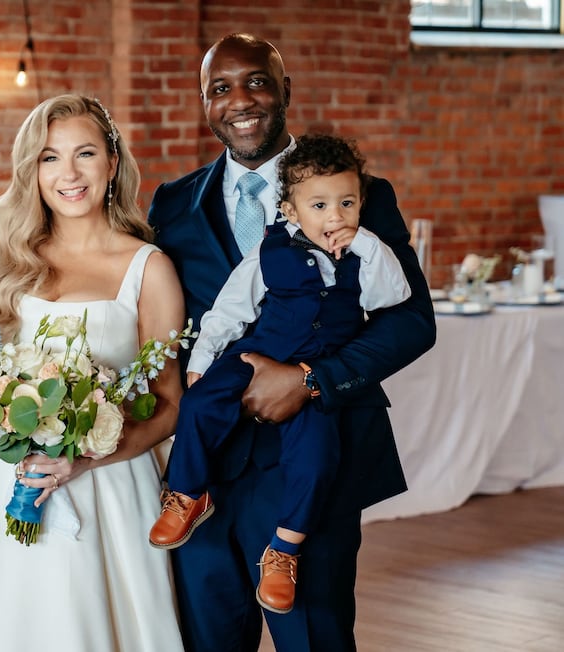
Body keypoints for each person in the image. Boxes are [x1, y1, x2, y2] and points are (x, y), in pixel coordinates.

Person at [148, 33, 435, 651]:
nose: (240, 100)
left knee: (313, 638)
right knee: (206, 638)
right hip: (207, 473)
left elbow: (412, 321)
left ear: (285, 90)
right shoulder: (172, 205)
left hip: (315, 459)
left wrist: (311, 380)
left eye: (255, 80)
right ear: (204, 103)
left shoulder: (360, 194)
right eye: (219, 88)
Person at [0, 94, 186, 651]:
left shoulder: (148, 267)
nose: (68, 174)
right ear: (31, 170)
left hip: (102, 482)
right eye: (49, 157)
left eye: (85, 154)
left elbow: (170, 403)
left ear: (112, 164)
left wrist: (84, 456)